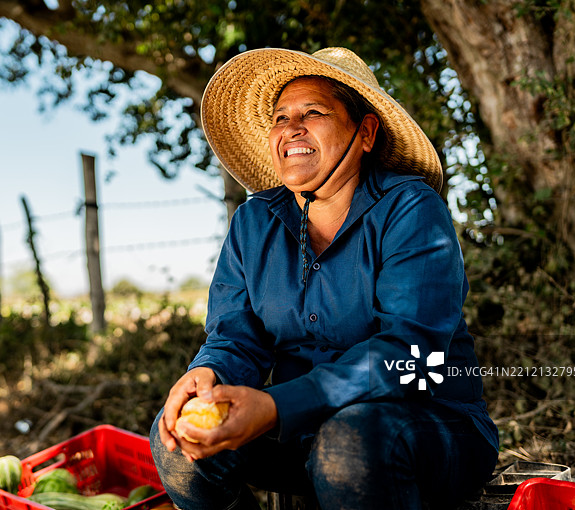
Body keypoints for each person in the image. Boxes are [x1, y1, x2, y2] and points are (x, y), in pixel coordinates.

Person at [149, 46, 499, 510]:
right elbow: (235, 336)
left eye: (313, 112)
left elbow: (408, 352)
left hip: (423, 429)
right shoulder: (254, 223)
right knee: (174, 444)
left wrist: (275, 408)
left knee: (349, 444)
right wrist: (206, 374)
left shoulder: (411, 210)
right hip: (302, 436)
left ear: (366, 133)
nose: (291, 128)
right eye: (280, 117)